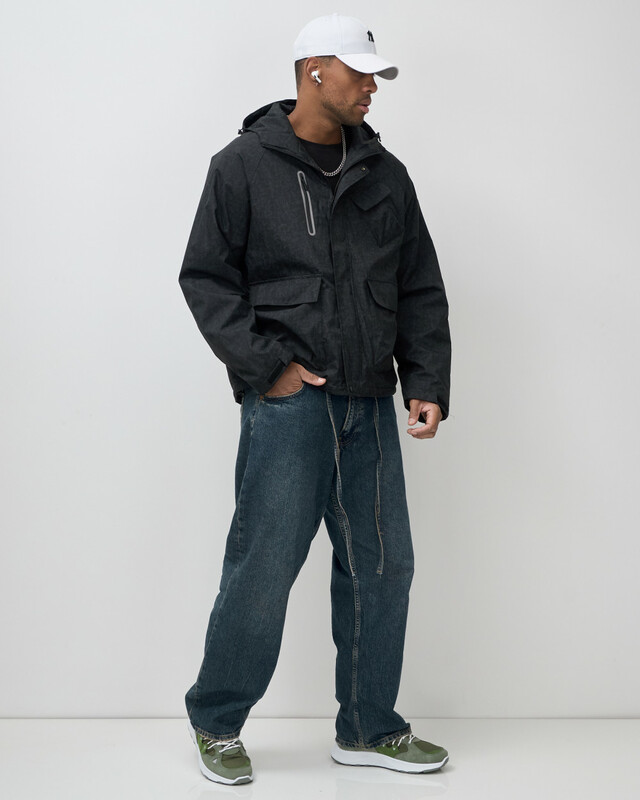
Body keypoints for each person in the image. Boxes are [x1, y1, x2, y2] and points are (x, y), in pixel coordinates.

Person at [179, 13, 451, 786]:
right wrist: (268, 369)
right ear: (314, 71)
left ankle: (368, 727)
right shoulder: (242, 166)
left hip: (370, 404)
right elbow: (206, 280)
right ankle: (217, 722)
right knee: (263, 567)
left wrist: (426, 382)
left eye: (376, 76)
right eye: (360, 73)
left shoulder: (386, 174)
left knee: (383, 568)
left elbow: (418, 286)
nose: (372, 88)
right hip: (289, 408)